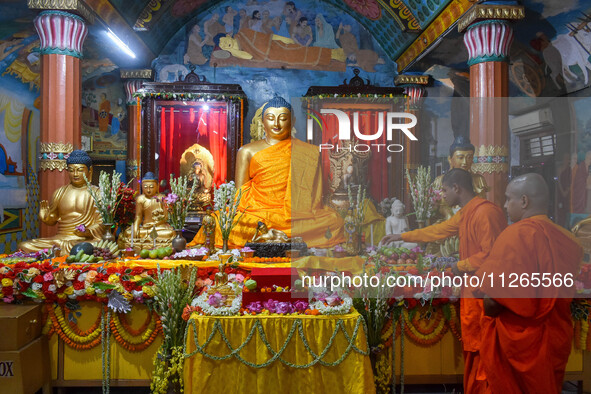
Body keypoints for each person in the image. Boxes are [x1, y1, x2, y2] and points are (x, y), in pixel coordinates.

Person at [380, 168, 507, 393]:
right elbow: (438, 231)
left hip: (485, 293)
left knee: (484, 352)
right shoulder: (466, 212)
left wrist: (459, 266)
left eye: (445, 190)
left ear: (457, 188)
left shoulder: (485, 213)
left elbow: (492, 254)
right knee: (474, 349)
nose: (443, 195)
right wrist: (401, 236)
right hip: (472, 290)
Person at [189, 96, 344, 249]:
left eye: (283, 118)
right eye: (270, 118)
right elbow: (240, 194)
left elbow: (315, 195)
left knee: (335, 221)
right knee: (219, 222)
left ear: (293, 121)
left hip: (296, 214)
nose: (276, 124)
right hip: (258, 212)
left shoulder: (309, 151)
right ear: (262, 122)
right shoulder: (247, 151)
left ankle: (271, 237)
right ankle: (283, 239)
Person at [475, 173, 582, 393]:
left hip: (520, 343)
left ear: (524, 201)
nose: (504, 205)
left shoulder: (516, 235)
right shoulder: (568, 239)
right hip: (556, 338)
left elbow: (493, 303)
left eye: (508, 199)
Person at [18, 150, 104, 254]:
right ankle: (63, 251)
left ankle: (61, 252)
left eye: (80, 170)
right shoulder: (60, 192)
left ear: (89, 171)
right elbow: (53, 218)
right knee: (25, 246)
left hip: (84, 240)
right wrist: (46, 217)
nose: (75, 174)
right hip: (60, 239)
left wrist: (88, 231)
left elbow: (101, 223)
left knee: (96, 246)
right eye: (71, 170)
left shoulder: (97, 193)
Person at [118, 172, 176, 251]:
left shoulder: (162, 198)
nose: (148, 190)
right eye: (145, 187)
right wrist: (135, 227)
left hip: (159, 228)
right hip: (145, 228)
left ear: (157, 186)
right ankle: (148, 243)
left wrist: (155, 224)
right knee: (128, 233)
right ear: (142, 187)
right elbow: (138, 216)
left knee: (169, 233)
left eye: (151, 187)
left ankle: (144, 244)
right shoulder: (140, 199)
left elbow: (166, 217)